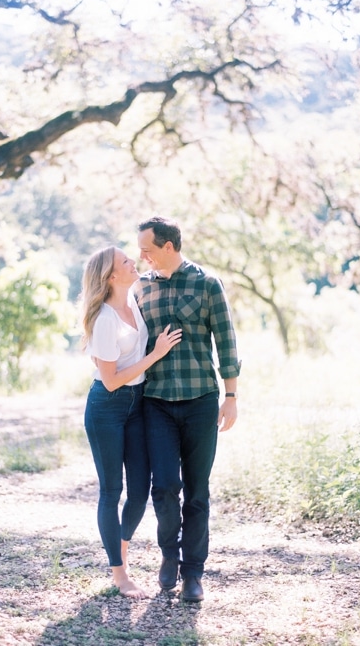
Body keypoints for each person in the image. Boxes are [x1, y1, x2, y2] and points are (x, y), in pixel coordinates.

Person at [135, 216, 241, 603]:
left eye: (147, 248)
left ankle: (194, 573)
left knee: (197, 492)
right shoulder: (140, 288)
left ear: (168, 246)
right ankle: (169, 555)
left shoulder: (207, 284)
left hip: (199, 402)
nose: (141, 255)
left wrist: (230, 396)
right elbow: (133, 344)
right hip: (156, 403)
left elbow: (226, 341)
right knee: (163, 487)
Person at [80, 246, 180, 598]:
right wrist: (156, 355)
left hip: (136, 404)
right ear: (110, 276)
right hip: (107, 406)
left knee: (139, 491)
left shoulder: (132, 301)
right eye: (125, 261)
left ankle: (119, 551)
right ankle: (119, 574)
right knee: (112, 491)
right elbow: (110, 380)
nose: (132, 262)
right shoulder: (105, 318)